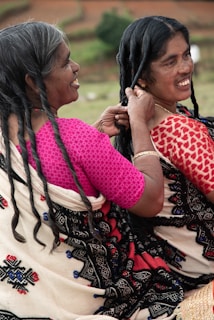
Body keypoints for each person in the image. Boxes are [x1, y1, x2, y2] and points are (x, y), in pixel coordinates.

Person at [0, 21, 184, 320]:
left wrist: (96, 134)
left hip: (24, 303)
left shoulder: (7, 145)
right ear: (33, 81)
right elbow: (150, 201)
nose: (75, 67)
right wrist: (139, 125)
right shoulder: (75, 139)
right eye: (64, 62)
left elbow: (50, 163)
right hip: (95, 298)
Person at [115, 15, 214, 319]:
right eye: (170, 62)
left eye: (186, 54)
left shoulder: (134, 125)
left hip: (174, 270)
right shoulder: (179, 129)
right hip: (204, 267)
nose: (185, 67)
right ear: (141, 76)